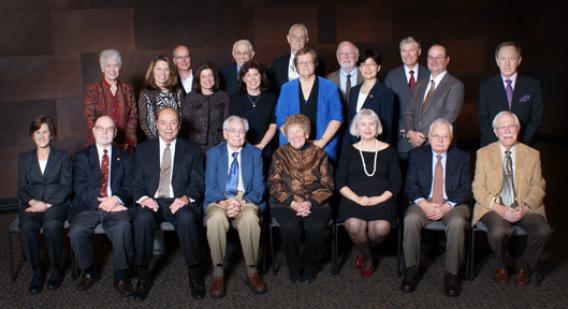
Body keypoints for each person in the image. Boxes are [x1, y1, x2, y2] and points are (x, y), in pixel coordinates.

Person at [131, 107, 205, 301]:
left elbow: (197, 181)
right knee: (142, 220)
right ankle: (142, 275)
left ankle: (195, 274)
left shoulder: (192, 149)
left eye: (173, 122)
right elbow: (136, 182)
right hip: (151, 200)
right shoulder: (143, 149)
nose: (168, 127)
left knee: (188, 218)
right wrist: (143, 199)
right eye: (163, 122)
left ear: (179, 126)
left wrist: (185, 198)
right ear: (156, 125)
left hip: (178, 200)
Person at [472, 111, 551, 287]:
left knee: (543, 231)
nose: (507, 131)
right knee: (499, 231)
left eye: (511, 126)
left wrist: (524, 208)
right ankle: (503, 265)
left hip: (525, 206)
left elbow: (538, 187)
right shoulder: (484, 153)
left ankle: (523, 265)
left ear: (518, 128)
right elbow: (478, 189)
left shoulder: (532, 154)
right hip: (494, 207)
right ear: (495, 132)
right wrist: (499, 208)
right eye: (502, 128)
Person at [401, 118, 471, 297]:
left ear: (451, 138)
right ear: (429, 138)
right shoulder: (417, 155)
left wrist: (446, 207)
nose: (440, 140)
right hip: (424, 201)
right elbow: (410, 185)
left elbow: (465, 188)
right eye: (436, 136)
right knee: (410, 219)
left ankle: (452, 275)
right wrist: (424, 204)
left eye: (445, 137)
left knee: (456, 223)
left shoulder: (462, 157)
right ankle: (411, 269)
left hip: (453, 204)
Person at [69, 116, 134, 297]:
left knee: (123, 227)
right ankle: (89, 269)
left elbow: (131, 185)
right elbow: (79, 187)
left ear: (114, 133)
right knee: (76, 232)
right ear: (94, 131)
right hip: (89, 206)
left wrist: (115, 200)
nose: (105, 132)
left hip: (116, 205)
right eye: (100, 128)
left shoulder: (126, 157)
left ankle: (121, 275)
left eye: (109, 129)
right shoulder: (82, 156)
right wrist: (103, 202)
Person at [204, 116, 267, 298]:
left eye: (241, 132)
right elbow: (210, 186)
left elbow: (259, 187)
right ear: (225, 133)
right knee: (215, 218)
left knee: (249, 218)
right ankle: (218, 273)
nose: (238, 135)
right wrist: (224, 202)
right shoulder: (214, 153)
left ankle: (252, 271)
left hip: (245, 198)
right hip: (220, 198)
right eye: (233, 131)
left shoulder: (254, 153)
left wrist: (241, 202)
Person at [268, 114, 334, 283]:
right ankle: (294, 265)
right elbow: (274, 184)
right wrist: (292, 203)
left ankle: (310, 264)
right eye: (291, 133)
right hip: (285, 203)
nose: (295, 136)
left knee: (317, 227)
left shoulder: (319, 154)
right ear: (286, 135)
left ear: (306, 133)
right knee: (290, 228)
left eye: (299, 132)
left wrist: (309, 203)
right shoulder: (279, 154)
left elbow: (327, 184)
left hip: (316, 202)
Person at [336, 109, 401, 277]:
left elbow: (396, 182)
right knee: (354, 225)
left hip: (383, 199)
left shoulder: (390, 151)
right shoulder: (349, 150)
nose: (367, 128)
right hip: (353, 198)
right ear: (356, 128)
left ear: (377, 127)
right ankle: (369, 257)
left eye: (371, 124)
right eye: (363, 124)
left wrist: (378, 199)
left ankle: (362, 250)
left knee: (381, 228)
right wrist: (358, 199)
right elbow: (340, 182)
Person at [17, 116, 72, 295]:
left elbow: (66, 187)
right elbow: (22, 189)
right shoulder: (24, 158)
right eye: (37, 132)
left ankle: (56, 268)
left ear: (52, 134)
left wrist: (47, 204)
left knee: (52, 225)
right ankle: (37, 271)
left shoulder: (63, 157)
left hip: (56, 204)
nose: (41, 136)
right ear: (32, 136)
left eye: (45, 131)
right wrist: (33, 202)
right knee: (27, 226)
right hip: (32, 203)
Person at [275, 47, 343, 162]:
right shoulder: (286, 88)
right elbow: (281, 119)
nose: (305, 65)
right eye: (301, 62)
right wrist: (294, 142)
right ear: (296, 66)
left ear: (315, 64)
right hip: (292, 147)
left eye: (309, 62)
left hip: (323, 146)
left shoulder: (330, 87)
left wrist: (323, 142)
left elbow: (336, 118)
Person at [477, 42, 543, 147]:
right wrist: (499, 144)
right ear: (497, 61)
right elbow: (482, 118)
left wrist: (518, 142)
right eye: (503, 59)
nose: (507, 63)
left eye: (512, 59)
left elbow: (536, 119)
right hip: (492, 146)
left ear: (519, 60)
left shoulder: (532, 85)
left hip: (524, 145)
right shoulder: (486, 86)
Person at [403, 44, 464, 149]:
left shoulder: (455, 85)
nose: (434, 61)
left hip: (439, 146)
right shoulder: (419, 84)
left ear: (447, 60)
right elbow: (408, 112)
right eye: (430, 57)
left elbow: (448, 117)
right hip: (415, 146)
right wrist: (411, 133)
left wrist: (422, 137)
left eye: (439, 57)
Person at [384, 37, 429, 162]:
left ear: (419, 51)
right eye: (404, 51)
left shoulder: (429, 75)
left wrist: (420, 134)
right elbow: (389, 111)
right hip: (401, 142)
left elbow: (434, 108)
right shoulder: (391, 77)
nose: (407, 54)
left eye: (411, 50)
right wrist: (408, 133)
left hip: (425, 141)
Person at [83, 49, 138, 149]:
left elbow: (133, 117)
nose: (112, 70)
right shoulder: (93, 90)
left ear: (119, 68)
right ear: (102, 68)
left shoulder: (128, 89)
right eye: (108, 65)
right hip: (101, 142)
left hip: (125, 143)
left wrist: (129, 140)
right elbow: (90, 119)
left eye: (116, 65)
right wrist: (107, 141)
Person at [229, 60, 277, 173]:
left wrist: (261, 145)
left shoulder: (271, 98)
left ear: (261, 76)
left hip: (266, 147)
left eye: (256, 74)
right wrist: (248, 146)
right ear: (243, 78)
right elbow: (233, 126)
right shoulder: (235, 99)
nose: (253, 79)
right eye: (248, 75)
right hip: (241, 146)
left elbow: (273, 125)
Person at [344, 49, 394, 145]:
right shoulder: (354, 91)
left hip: (374, 146)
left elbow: (387, 128)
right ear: (359, 68)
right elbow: (350, 121)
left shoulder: (386, 93)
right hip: (353, 145)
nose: (367, 68)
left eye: (372, 64)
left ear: (378, 67)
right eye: (363, 64)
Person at [181, 62, 229, 153]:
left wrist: (223, 143)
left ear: (215, 77)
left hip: (218, 145)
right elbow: (185, 126)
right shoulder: (190, 97)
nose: (207, 79)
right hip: (194, 146)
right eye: (203, 76)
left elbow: (227, 123)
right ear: (198, 79)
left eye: (210, 75)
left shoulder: (224, 97)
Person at [138, 55, 183, 140]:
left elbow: (181, 118)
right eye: (158, 69)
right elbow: (144, 123)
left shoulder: (177, 92)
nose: (162, 73)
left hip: (175, 140)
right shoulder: (145, 93)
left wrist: (173, 139)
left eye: (166, 69)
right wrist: (158, 142)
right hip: (154, 141)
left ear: (170, 72)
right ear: (152, 71)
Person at [271, 24, 325, 92]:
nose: (298, 40)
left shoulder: (318, 62)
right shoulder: (277, 64)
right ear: (288, 38)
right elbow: (273, 91)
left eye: (302, 37)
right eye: (294, 36)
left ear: (307, 40)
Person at [326, 41, 363, 107]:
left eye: (350, 53)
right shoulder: (328, 80)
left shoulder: (366, 77)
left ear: (357, 57)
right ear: (338, 58)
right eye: (342, 54)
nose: (346, 57)